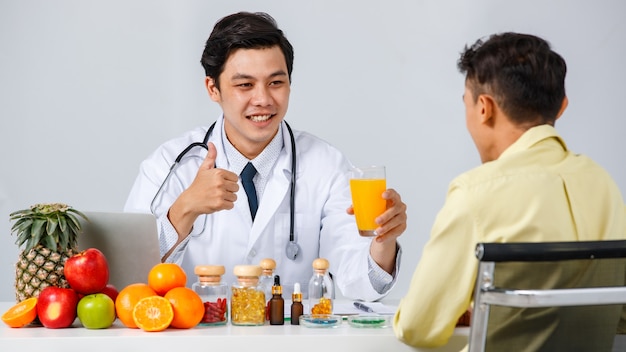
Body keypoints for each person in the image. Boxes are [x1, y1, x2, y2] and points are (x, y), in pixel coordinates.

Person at [124, 12, 407, 301]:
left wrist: (384, 241)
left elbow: (358, 287)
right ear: (213, 88)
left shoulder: (327, 165)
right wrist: (184, 209)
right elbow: (130, 280)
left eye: (275, 83)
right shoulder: (170, 164)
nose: (263, 99)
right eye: (245, 85)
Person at [393, 32, 626, 350]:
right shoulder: (604, 185)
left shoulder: (476, 194)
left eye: (467, 103)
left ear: (484, 108)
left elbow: (416, 327)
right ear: (562, 106)